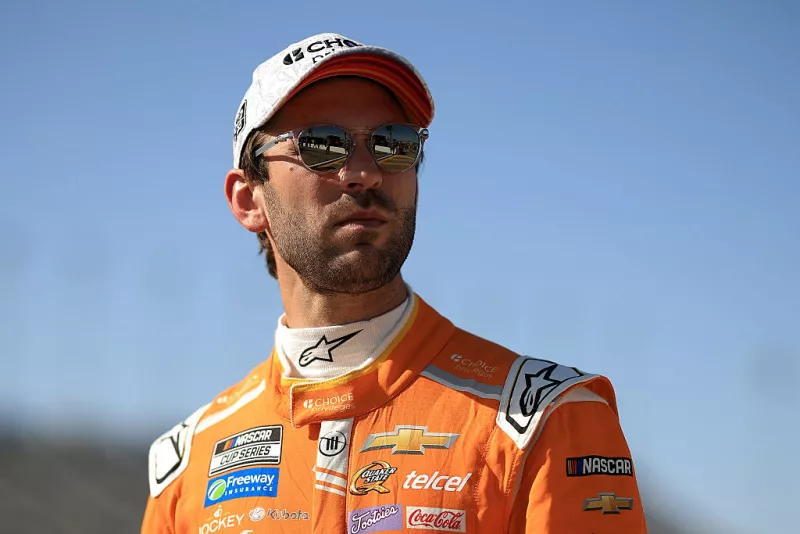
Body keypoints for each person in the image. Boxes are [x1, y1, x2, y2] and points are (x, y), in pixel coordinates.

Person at [141, 33, 648, 534]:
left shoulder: (547, 420)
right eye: (322, 144)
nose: (365, 172)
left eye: (393, 144)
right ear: (248, 199)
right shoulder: (185, 467)